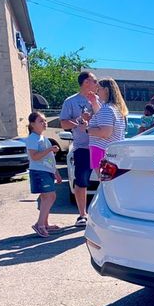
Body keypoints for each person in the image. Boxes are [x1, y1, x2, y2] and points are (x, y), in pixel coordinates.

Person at [60, 71, 99, 227]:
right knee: (81, 181)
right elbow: (63, 123)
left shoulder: (100, 101)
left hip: (101, 147)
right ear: (86, 82)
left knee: (106, 180)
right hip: (83, 147)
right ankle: (82, 214)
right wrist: (80, 121)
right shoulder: (71, 102)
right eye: (94, 80)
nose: (97, 84)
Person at [26, 112, 63, 238]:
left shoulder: (43, 138)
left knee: (46, 197)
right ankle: (39, 224)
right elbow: (34, 157)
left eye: (45, 121)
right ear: (32, 124)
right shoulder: (32, 138)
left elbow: (49, 159)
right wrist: (49, 149)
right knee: (50, 196)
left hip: (46, 171)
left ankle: (45, 223)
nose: (44, 123)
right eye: (41, 121)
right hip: (38, 171)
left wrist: (56, 172)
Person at [87, 78, 128, 173]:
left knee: (105, 183)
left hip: (101, 150)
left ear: (106, 90)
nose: (97, 92)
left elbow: (105, 133)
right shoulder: (115, 108)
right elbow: (102, 119)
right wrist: (94, 102)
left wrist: (86, 130)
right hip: (111, 151)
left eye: (99, 89)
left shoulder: (107, 108)